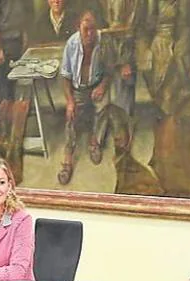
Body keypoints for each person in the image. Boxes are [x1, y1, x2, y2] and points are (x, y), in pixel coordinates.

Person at [58, 10, 109, 185]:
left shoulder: (104, 42)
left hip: (96, 85)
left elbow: (110, 69)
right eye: (86, 29)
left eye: (93, 29)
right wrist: (70, 101)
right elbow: (65, 76)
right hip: (78, 88)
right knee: (71, 116)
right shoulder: (71, 44)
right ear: (78, 27)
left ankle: (94, 142)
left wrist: (102, 86)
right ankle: (67, 159)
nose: (89, 33)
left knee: (103, 107)